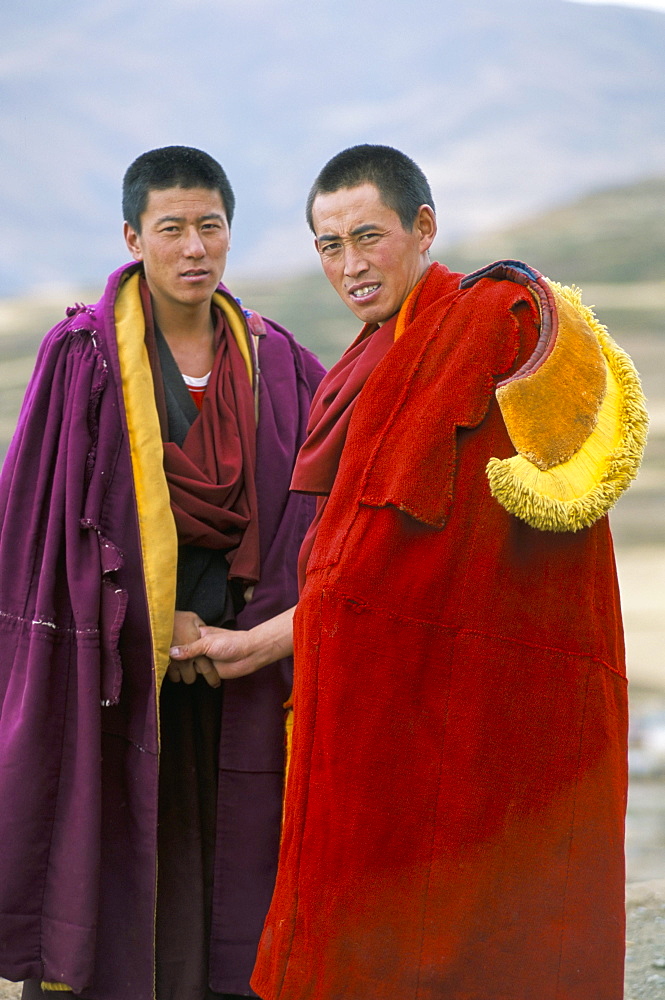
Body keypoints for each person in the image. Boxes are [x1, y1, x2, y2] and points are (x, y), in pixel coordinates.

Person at [169, 144, 648, 1000]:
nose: (349, 267)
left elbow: (455, 563)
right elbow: (366, 564)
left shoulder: (485, 327)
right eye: (327, 246)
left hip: (492, 696)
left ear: (422, 228)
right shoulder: (370, 358)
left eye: (367, 237)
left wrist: (283, 634)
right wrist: (273, 638)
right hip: (405, 687)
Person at [0, 146, 325, 1000]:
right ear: (132, 235)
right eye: (171, 228)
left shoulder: (278, 360)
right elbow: (38, 528)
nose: (193, 249)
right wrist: (157, 623)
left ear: (229, 235)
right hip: (117, 670)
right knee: (118, 860)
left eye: (209, 227)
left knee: (233, 873)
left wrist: (245, 632)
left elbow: (324, 506)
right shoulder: (83, 360)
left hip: (242, 665)